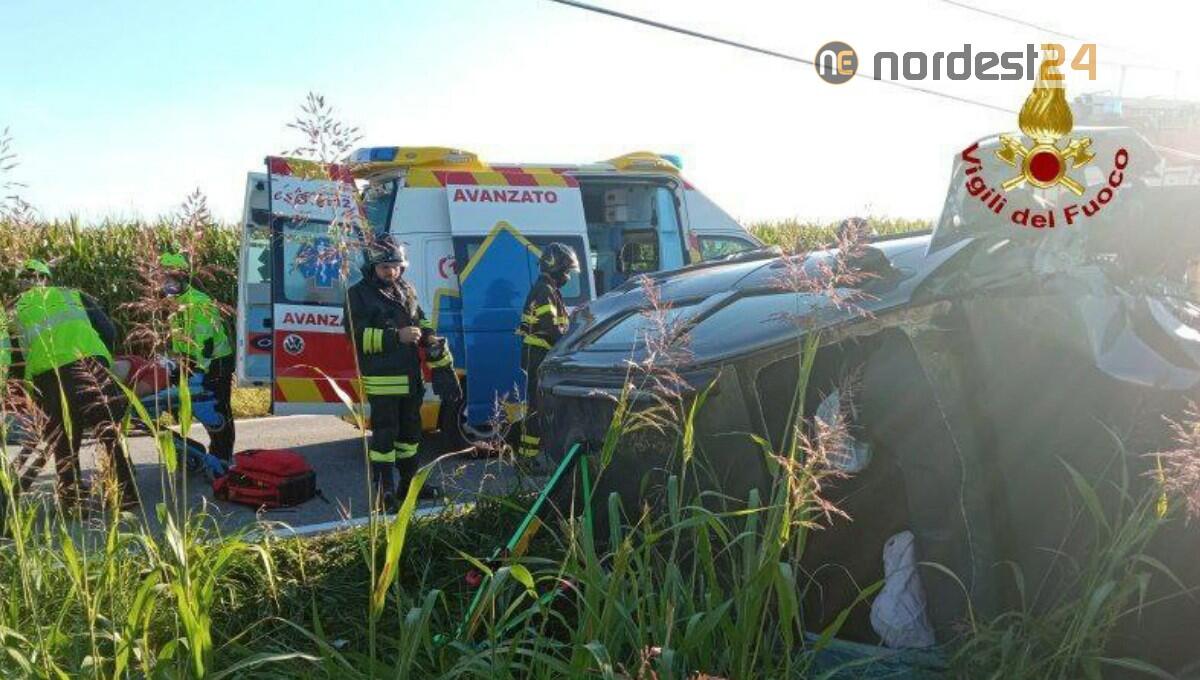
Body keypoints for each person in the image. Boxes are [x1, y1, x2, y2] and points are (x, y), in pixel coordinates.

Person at [343, 234, 459, 508]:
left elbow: (422, 319)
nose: (391, 271)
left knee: (411, 436)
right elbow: (356, 336)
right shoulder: (358, 294)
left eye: (395, 266)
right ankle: (385, 493)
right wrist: (397, 336)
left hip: (411, 379)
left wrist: (429, 339)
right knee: (385, 437)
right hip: (383, 380)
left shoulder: (406, 289)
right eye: (385, 267)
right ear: (372, 267)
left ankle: (410, 486)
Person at [11, 259, 137, 510]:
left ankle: (73, 503)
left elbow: (13, 355)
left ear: (20, 282)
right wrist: (104, 361)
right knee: (108, 432)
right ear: (46, 277)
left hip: (49, 376)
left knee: (65, 439)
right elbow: (108, 330)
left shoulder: (14, 311)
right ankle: (126, 496)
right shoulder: (73, 296)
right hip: (91, 367)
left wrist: (24, 388)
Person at [159, 252, 236, 461]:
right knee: (199, 406)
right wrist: (174, 361)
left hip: (215, 361)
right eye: (163, 280)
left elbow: (206, 343)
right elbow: (179, 338)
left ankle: (223, 455)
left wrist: (200, 371)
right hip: (193, 360)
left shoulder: (198, 302)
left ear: (182, 279)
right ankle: (213, 451)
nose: (166, 285)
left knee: (218, 408)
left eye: (170, 280)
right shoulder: (176, 303)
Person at [517, 243, 579, 461]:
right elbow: (553, 329)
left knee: (540, 407)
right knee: (536, 408)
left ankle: (531, 455)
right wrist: (572, 341)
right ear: (556, 268)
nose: (568, 276)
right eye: (566, 271)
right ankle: (527, 459)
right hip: (538, 356)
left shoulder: (549, 289)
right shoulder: (545, 291)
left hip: (539, 355)